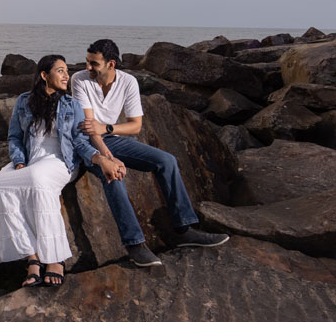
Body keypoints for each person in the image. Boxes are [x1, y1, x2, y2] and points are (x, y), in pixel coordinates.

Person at [71, 38, 229, 267]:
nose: (87, 67)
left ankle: (184, 230)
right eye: (87, 62)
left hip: (110, 137)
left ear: (111, 64)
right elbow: (89, 129)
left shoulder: (128, 82)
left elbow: (135, 126)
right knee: (113, 176)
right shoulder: (80, 80)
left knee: (166, 160)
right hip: (87, 145)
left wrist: (108, 129)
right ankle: (134, 244)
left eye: (93, 63)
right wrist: (108, 158)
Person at [0, 54, 126, 287]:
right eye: (60, 71)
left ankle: (55, 259)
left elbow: (81, 141)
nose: (66, 75)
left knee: (37, 178)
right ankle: (32, 258)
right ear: (44, 75)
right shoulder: (23, 101)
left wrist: (101, 159)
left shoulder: (72, 105)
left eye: (66, 71)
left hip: (60, 161)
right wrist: (19, 161)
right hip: (31, 160)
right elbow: (14, 137)